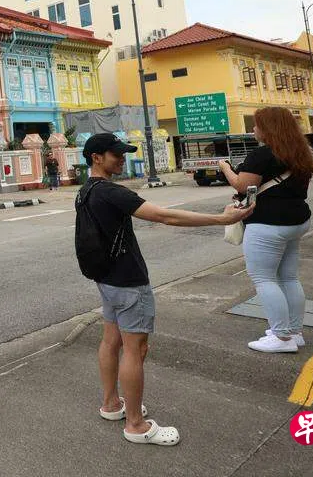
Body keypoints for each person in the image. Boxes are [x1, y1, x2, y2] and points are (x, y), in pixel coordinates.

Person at [77, 133, 252, 447]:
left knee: (111, 341)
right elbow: (164, 216)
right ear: (96, 158)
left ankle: (112, 404)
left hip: (106, 279)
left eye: (122, 153)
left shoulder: (86, 190)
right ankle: (136, 424)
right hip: (128, 282)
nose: (122, 159)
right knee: (136, 349)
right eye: (115, 154)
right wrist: (221, 218)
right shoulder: (112, 192)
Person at [219, 106, 313, 353]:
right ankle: (294, 332)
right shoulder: (300, 152)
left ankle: (282, 338)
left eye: (257, 125)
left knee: (264, 279)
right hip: (296, 220)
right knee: (289, 277)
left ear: (268, 128)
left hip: (268, 224)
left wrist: (226, 168)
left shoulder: (261, 155)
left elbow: (243, 186)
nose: (254, 129)